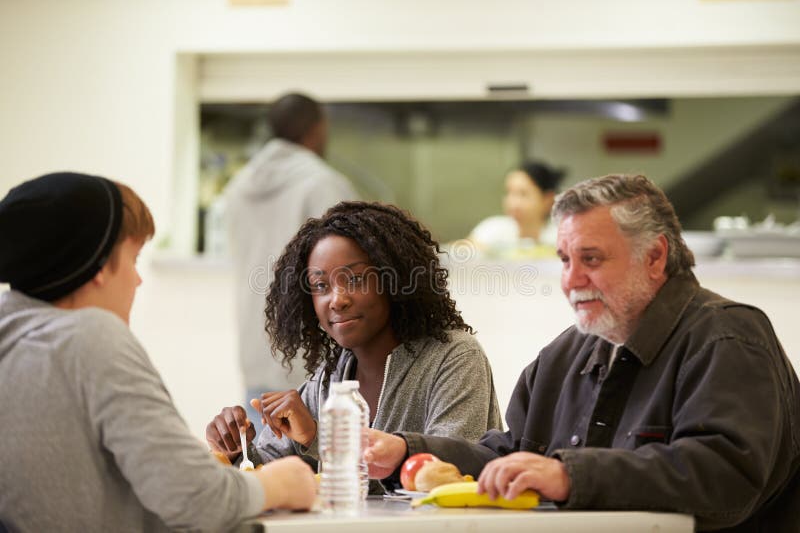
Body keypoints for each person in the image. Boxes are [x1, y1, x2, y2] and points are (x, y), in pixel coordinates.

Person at [365, 174, 800, 532]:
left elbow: (725, 477)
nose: (571, 280)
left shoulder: (728, 336)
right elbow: (508, 456)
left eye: (590, 259)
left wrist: (569, 475)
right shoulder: (564, 354)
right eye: (565, 260)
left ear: (654, 256)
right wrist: (408, 449)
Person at [0, 172, 316, 532]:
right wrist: (281, 482)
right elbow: (196, 499)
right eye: (133, 259)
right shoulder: (89, 339)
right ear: (100, 266)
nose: (137, 280)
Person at [206, 201, 503, 491]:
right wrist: (237, 451)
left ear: (394, 280)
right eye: (321, 286)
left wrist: (316, 437)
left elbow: (444, 475)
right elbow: (270, 476)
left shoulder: (454, 357)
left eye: (356, 279)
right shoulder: (328, 379)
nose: (337, 299)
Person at [224, 92, 358, 431]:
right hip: (308, 356)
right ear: (316, 130)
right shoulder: (323, 184)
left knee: (263, 466)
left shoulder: (238, 187)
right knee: (321, 468)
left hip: (256, 345)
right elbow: (352, 262)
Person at [469, 160, 565, 258]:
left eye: (523, 194)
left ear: (547, 199)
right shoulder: (493, 228)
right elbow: (462, 250)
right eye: (509, 193)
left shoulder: (562, 235)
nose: (513, 203)